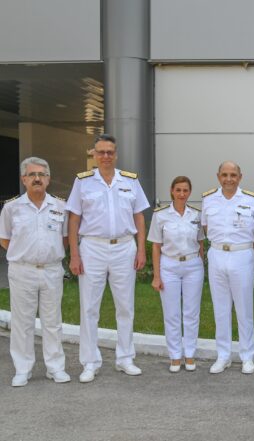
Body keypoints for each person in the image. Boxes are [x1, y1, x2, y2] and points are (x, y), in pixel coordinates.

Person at [66, 134, 150, 383]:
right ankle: (90, 362)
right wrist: (74, 254)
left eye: (109, 152)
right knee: (89, 308)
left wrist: (142, 249)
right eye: (101, 152)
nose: (105, 156)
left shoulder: (130, 180)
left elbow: (139, 217)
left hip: (124, 247)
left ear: (116, 154)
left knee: (125, 306)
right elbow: (74, 220)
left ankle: (125, 358)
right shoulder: (83, 182)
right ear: (93, 154)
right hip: (92, 248)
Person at [0, 157, 70, 387]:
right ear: (24, 179)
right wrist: (25, 254)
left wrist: (47, 254)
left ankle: (55, 368)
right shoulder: (11, 208)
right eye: (32, 175)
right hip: (22, 271)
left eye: (41, 174)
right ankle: (22, 369)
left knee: (53, 321)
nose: (37, 179)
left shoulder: (60, 206)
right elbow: (4, 239)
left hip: (51, 270)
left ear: (48, 179)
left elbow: (65, 239)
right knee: (22, 322)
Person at [202, 161, 254, 375]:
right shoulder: (209, 199)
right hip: (217, 254)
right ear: (218, 176)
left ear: (240, 177)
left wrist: (251, 247)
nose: (229, 179)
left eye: (233, 175)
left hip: (242, 255)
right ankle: (223, 355)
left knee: (244, 308)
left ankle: (247, 356)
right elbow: (205, 226)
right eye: (225, 175)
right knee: (220, 309)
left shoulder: (252, 200)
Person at [148, 176, 205, 373]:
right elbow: (156, 246)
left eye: (185, 190)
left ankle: (189, 354)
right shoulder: (160, 215)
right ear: (172, 191)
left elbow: (200, 242)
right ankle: (174, 356)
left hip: (193, 266)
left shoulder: (196, 214)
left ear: (190, 192)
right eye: (178, 190)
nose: (182, 194)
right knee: (171, 313)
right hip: (169, 266)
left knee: (191, 312)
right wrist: (157, 276)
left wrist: (201, 264)